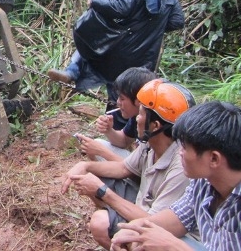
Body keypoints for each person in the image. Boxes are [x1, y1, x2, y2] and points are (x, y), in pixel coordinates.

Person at [48, 0, 184, 126]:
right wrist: (152, 29)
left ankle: (72, 73)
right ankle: (135, 135)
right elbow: (177, 21)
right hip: (146, 58)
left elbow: (120, 7)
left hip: (121, 54)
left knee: (93, 48)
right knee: (138, 95)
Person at [61, 79, 196, 249]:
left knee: (118, 232)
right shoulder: (149, 143)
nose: (137, 119)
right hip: (143, 206)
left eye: (140, 114)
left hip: (158, 223)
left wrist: (103, 192)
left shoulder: (181, 167)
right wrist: (85, 166)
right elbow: (123, 168)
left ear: (155, 126)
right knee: (100, 210)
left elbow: (154, 223)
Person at [111, 101, 241, 251]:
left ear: (214, 159)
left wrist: (174, 246)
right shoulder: (203, 183)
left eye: (185, 147)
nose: (180, 152)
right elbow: (178, 217)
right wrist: (136, 229)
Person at [77, 67, 156, 162]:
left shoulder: (154, 123)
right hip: (140, 165)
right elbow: (124, 141)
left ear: (138, 101)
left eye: (122, 98)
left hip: (151, 172)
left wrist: (101, 152)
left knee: (95, 155)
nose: (118, 102)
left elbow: (139, 171)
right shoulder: (137, 114)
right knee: (98, 144)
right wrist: (108, 130)